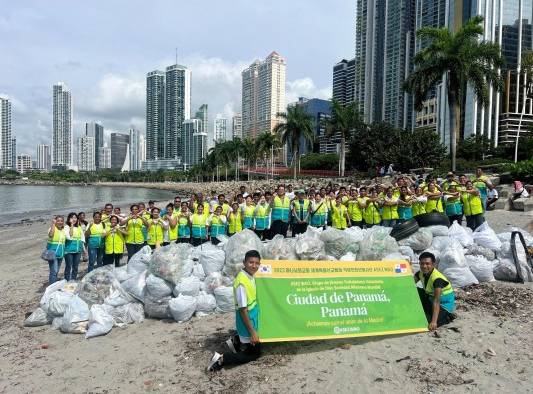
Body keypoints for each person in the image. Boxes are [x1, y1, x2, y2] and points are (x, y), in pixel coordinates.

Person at [208, 250, 261, 371]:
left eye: (257, 263)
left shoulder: (250, 276)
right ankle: (222, 359)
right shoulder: (242, 283)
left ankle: (235, 341)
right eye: (251, 262)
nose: (254, 265)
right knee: (254, 354)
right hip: (247, 322)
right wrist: (252, 332)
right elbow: (243, 310)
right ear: (244, 262)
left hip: (252, 319)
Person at [414, 252, 456, 330]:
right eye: (422, 263)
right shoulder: (420, 273)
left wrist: (433, 322)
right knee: (414, 290)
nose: (424, 266)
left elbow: (437, 301)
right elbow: (410, 284)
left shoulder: (437, 279)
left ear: (433, 264)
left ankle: (448, 316)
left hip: (443, 305)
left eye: (427, 264)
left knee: (426, 322)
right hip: (430, 298)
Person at [64, 212, 84, 281]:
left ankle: (73, 280)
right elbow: (69, 236)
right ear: (69, 219)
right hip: (69, 250)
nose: (74, 219)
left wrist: (84, 249)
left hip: (78, 250)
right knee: (68, 266)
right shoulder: (66, 227)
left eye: (75, 218)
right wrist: (72, 224)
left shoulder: (79, 227)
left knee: (75, 267)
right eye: (72, 218)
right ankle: (67, 280)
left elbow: (82, 239)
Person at [46, 215, 66, 284]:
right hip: (52, 254)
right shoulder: (52, 228)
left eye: (61, 221)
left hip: (60, 254)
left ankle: (53, 283)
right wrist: (53, 224)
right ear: (55, 221)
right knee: (54, 272)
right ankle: (52, 286)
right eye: (58, 221)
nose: (60, 222)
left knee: (56, 271)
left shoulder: (63, 230)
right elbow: (51, 235)